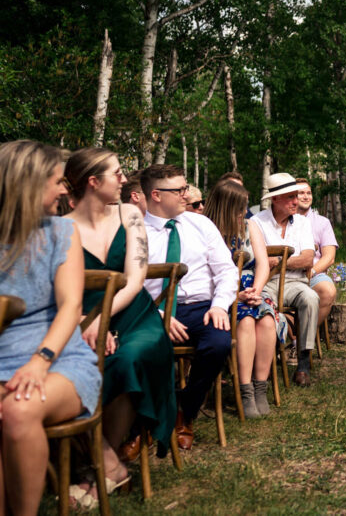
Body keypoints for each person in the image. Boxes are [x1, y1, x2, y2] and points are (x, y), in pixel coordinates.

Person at [63, 148, 175, 490]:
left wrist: (103, 319)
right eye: (117, 173)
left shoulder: (130, 215)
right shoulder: (61, 228)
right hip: (81, 317)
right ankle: (105, 463)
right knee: (86, 365)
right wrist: (85, 321)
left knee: (129, 356)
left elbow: (136, 278)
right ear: (94, 182)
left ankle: (101, 466)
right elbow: (59, 289)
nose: (124, 179)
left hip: (134, 314)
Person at [0, 140, 101, 515]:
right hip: (3, 358)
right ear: (26, 183)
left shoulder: (60, 232)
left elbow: (71, 306)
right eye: (57, 181)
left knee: (18, 409)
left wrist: (40, 361)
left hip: (59, 359)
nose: (64, 189)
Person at [141, 164, 236, 450]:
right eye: (179, 190)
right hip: (150, 310)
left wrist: (219, 306)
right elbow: (126, 282)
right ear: (156, 195)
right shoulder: (135, 231)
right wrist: (154, 314)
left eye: (186, 188)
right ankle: (142, 421)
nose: (186, 195)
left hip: (200, 307)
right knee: (138, 351)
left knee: (219, 344)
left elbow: (226, 271)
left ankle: (185, 410)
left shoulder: (201, 224)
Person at [205, 180, 277, 418]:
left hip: (251, 288)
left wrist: (256, 291)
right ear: (225, 207)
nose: (243, 213)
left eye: (245, 207)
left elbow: (263, 264)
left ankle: (260, 387)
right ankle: (244, 391)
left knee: (266, 320)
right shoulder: (208, 230)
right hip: (220, 292)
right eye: (239, 208)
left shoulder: (249, 226)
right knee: (245, 321)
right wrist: (235, 295)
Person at [252, 173, 319, 387]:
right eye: (290, 197)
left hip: (294, 282)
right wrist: (272, 260)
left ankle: (303, 363)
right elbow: (255, 260)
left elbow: (308, 258)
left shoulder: (302, 222)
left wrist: (276, 260)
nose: (295, 201)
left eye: (296, 196)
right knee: (260, 305)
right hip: (266, 282)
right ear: (275, 199)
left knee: (311, 298)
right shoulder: (257, 222)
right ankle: (263, 364)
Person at [295, 178, 337, 333]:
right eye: (301, 193)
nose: (306, 197)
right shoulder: (284, 220)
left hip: (314, 274)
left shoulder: (322, 222)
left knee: (328, 290)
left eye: (309, 193)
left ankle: (303, 339)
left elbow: (329, 257)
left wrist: (311, 272)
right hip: (286, 273)